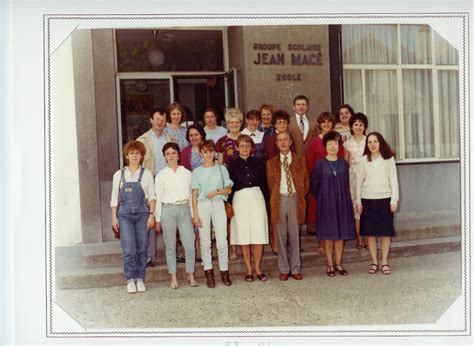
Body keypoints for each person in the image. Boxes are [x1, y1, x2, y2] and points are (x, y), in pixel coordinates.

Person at [110, 140, 156, 293]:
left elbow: (152, 197)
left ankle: (140, 278)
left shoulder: (147, 174)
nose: (135, 156)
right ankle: (130, 279)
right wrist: (114, 217)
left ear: (142, 156)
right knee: (129, 249)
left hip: (143, 213)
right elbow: (114, 198)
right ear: (127, 156)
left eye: (138, 153)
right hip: (125, 215)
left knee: (142, 248)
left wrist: (151, 215)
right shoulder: (119, 174)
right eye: (132, 153)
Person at [310, 131, 355, 277]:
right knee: (329, 236)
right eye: (329, 144)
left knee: (340, 236)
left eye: (335, 144)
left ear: (339, 146)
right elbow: (313, 185)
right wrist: (323, 197)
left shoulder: (344, 163)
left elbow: (349, 183)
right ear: (325, 146)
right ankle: (329, 264)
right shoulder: (319, 164)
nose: (332, 146)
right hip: (327, 204)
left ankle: (339, 264)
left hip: (342, 202)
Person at [267, 131, 309, 281]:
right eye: (280, 140)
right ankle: (284, 269)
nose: (283, 142)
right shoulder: (271, 163)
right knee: (281, 236)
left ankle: (296, 268)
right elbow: (271, 184)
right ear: (277, 144)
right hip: (279, 200)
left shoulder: (299, 160)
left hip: (294, 199)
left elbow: (305, 181)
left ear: (291, 142)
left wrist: (299, 195)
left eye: (286, 140)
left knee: (295, 235)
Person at [154, 142, 197, 288]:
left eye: (173, 153)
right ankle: (173, 277)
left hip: (184, 209)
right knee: (170, 246)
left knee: (190, 245)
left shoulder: (186, 173)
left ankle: (190, 273)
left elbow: (192, 196)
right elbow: (158, 198)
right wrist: (157, 219)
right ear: (164, 157)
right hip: (168, 211)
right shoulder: (161, 175)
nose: (171, 156)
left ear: (178, 155)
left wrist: (193, 215)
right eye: (168, 154)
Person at [355, 132, 399, 275]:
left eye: (375, 141)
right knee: (370, 234)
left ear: (380, 143)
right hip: (367, 199)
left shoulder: (388, 159)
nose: (372, 144)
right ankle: (374, 262)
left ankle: (385, 262)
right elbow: (358, 183)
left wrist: (394, 200)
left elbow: (393, 180)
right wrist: (358, 201)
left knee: (385, 233)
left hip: (385, 199)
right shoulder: (363, 160)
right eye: (369, 142)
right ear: (367, 145)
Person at [191, 140, 233, 288]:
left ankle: (224, 271)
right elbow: (194, 194)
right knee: (205, 241)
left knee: (222, 240)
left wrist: (216, 191)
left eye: (210, 151)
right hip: (202, 205)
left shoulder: (221, 169)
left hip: (217, 203)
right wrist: (195, 215)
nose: (208, 154)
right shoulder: (196, 172)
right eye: (205, 152)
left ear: (214, 153)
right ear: (201, 153)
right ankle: (208, 272)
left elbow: (228, 189)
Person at [137, 108, 175, 267]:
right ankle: (149, 256)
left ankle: (171, 255)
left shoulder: (170, 139)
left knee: (169, 218)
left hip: (167, 182)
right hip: (150, 182)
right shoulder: (142, 140)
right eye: (157, 119)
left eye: (162, 119)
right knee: (150, 218)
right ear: (151, 120)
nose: (160, 122)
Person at [228, 134, 269, 282]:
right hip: (240, 199)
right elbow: (230, 187)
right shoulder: (231, 165)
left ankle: (258, 268)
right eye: (242, 145)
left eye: (247, 145)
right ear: (237, 147)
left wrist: (267, 202)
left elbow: (264, 184)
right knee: (244, 234)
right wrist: (229, 205)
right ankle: (249, 269)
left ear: (252, 147)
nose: (244, 148)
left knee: (258, 234)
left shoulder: (259, 162)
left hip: (257, 197)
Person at [306, 112, 345, 246]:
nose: (326, 124)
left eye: (329, 121)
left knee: (333, 212)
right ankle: (321, 243)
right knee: (320, 213)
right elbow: (310, 163)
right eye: (323, 121)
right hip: (320, 182)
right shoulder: (315, 141)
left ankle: (334, 242)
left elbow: (341, 160)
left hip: (334, 181)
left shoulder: (337, 140)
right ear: (319, 124)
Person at [216, 107, 244, 260]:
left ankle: (244, 246)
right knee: (230, 215)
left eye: (237, 122)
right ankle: (233, 248)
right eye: (231, 122)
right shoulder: (222, 141)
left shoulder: (246, 139)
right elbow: (219, 164)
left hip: (244, 181)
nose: (234, 124)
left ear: (241, 123)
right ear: (227, 123)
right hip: (228, 182)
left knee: (243, 214)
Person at [180, 123, 207, 262]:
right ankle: (196, 251)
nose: (194, 137)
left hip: (208, 190)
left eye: (196, 134)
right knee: (195, 221)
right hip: (193, 190)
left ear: (201, 134)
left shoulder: (208, 149)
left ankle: (205, 250)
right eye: (191, 135)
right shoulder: (185, 152)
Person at [343, 112, 369, 250]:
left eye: (361, 124)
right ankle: (359, 237)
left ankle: (367, 237)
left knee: (367, 207)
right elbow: (346, 163)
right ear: (351, 126)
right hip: (353, 177)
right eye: (355, 124)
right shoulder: (347, 143)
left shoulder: (369, 141)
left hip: (368, 177)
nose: (358, 127)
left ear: (365, 127)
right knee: (356, 208)